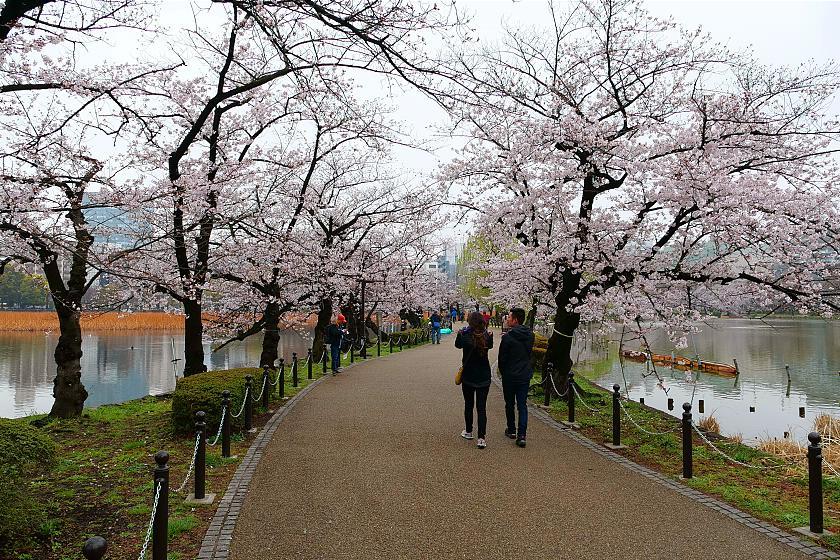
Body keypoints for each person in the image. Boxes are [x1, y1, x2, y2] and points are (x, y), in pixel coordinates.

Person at [455, 311, 494, 449]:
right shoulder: (488, 336)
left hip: (468, 376)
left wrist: (460, 333)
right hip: (484, 375)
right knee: (481, 407)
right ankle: (482, 438)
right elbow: (490, 346)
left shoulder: (464, 335)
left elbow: (458, 345)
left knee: (469, 404)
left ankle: (469, 431)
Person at [498, 307, 535, 448]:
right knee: (522, 405)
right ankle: (522, 435)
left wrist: (504, 372)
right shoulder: (530, 335)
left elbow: (502, 359)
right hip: (524, 375)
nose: (507, 319)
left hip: (510, 376)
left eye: (509, 317)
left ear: (515, 320)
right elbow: (528, 355)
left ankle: (512, 430)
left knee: (509, 403)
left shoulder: (507, 337)